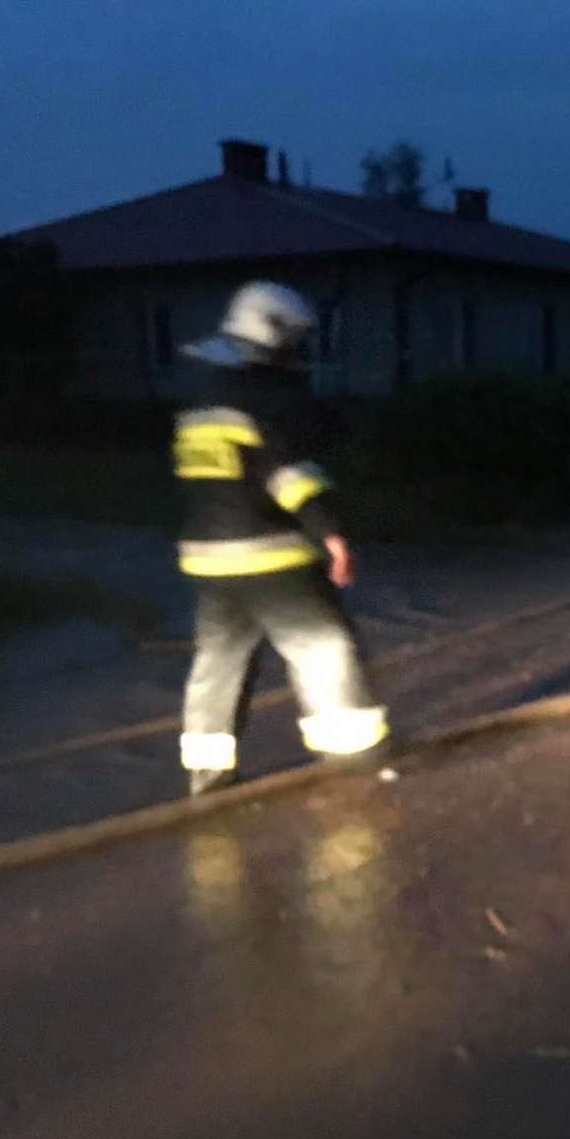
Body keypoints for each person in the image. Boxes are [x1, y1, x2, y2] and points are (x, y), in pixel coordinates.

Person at [174, 281, 389, 795]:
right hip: (270, 553)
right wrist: (331, 531)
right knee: (323, 648)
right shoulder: (269, 398)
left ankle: (208, 775)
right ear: (278, 335)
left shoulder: (201, 399)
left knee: (218, 663)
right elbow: (288, 472)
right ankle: (356, 761)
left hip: (207, 559)